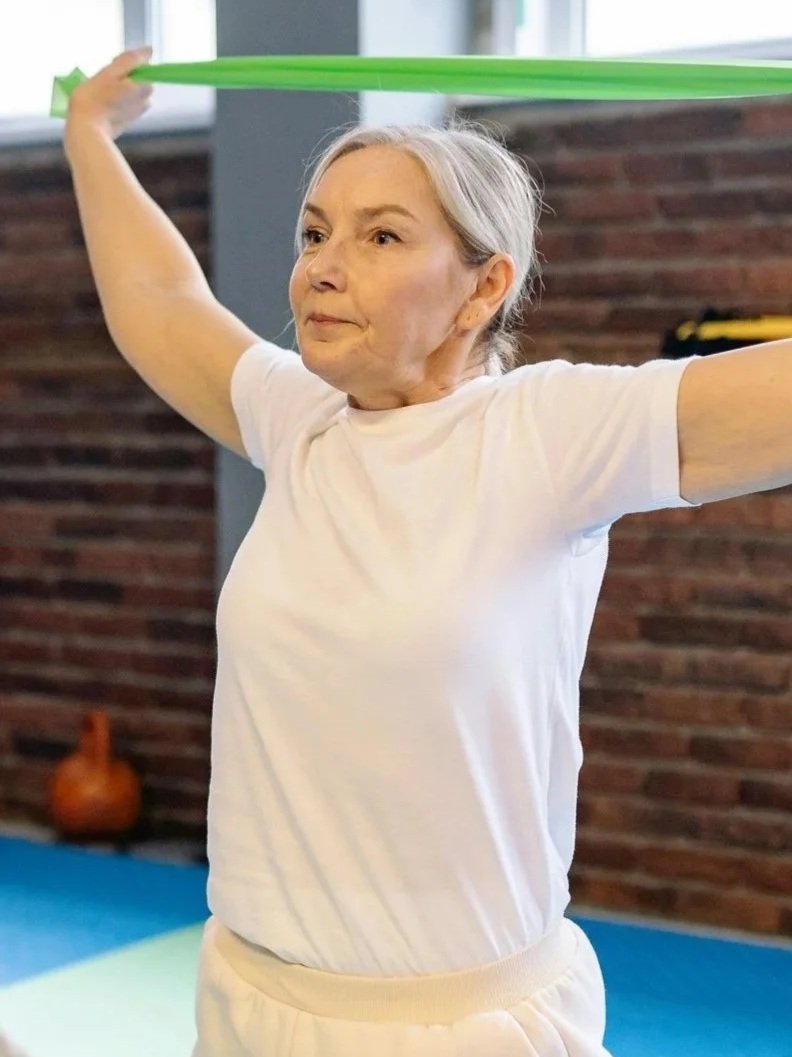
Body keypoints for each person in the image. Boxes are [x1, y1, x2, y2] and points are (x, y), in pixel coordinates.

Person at [62, 46, 710, 1057]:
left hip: (464, 1028)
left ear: (481, 285)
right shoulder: (302, 419)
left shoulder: (552, 434)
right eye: (316, 231)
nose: (322, 264)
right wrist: (90, 135)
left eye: (381, 236)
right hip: (250, 1004)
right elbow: (159, 301)